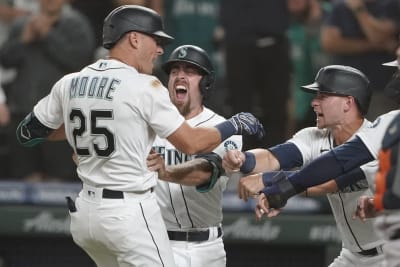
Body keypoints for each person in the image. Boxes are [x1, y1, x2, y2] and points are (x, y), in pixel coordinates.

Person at [15, 5, 264, 267]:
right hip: (128, 214)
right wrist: (233, 124)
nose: (159, 49)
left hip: (85, 216)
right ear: (134, 38)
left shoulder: (71, 81)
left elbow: (27, 133)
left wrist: (83, 135)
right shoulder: (145, 86)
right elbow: (192, 143)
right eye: (155, 40)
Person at [223, 65, 385, 267]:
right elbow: (273, 157)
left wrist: (272, 182)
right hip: (352, 256)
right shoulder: (315, 137)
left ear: (348, 102)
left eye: (323, 96)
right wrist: (243, 159)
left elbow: (329, 182)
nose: (314, 103)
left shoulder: (377, 139)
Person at [149, 44, 242, 267]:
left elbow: (206, 172)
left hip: (205, 248)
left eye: (189, 71)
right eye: (174, 71)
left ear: (205, 83)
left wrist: (166, 172)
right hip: (154, 243)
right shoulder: (147, 122)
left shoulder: (223, 127)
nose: (180, 76)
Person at [0, 0, 95, 181]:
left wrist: (47, 34)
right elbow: (6, 59)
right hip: (22, 111)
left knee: (59, 177)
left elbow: (80, 61)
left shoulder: (77, 24)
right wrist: (23, 41)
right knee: (25, 176)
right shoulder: (23, 24)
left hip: (61, 116)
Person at [219, 0, 292, 150]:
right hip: (238, 44)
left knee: (276, 110)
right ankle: (240, 162)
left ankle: (274, 161)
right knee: (239, 109)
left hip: (273, 43)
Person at [321, 0, 400, 120]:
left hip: (379, 90)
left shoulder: (391, 5)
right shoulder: (340, 6)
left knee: (379, 135)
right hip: (343, 91)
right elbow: (329, 43)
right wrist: (375, 46)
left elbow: (376, 36)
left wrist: (359, 10)